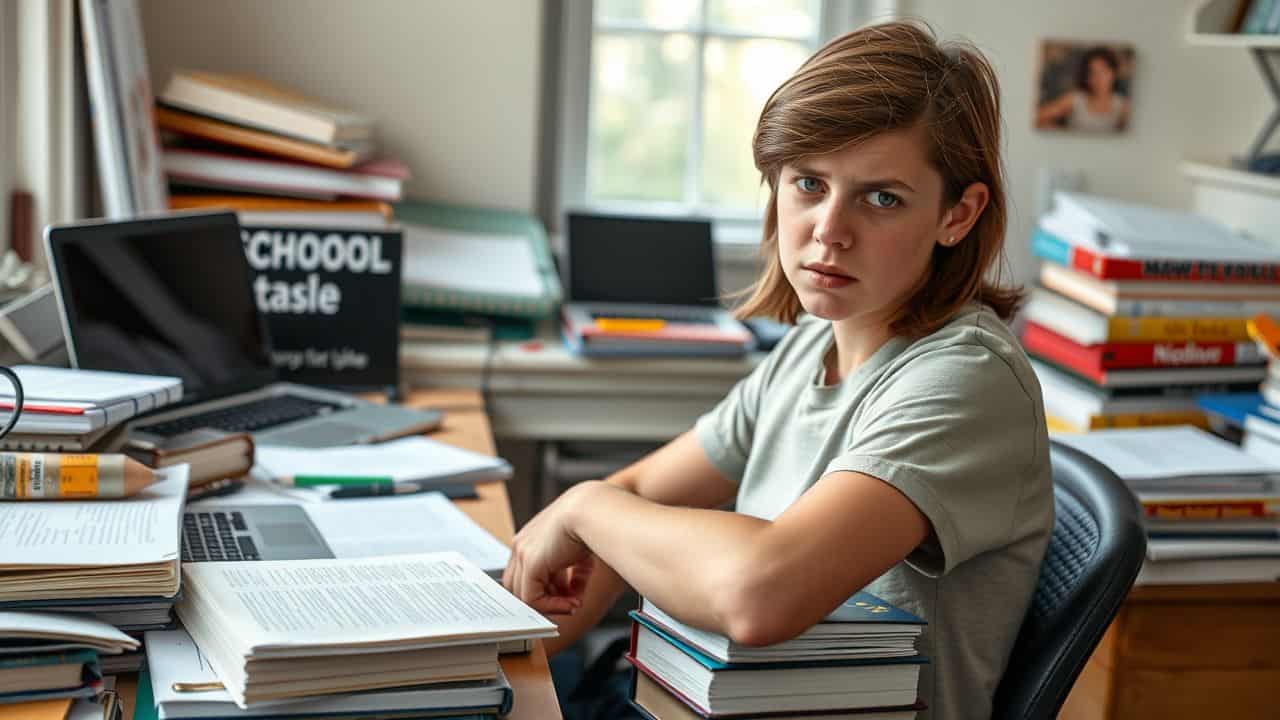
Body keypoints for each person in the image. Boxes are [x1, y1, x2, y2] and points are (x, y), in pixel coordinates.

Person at [504, 20, 1054, 720]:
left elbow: (759, 592)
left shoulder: (966, 381)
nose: (829, 229)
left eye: (881, 197)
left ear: (958, 214)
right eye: (808, 183)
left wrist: (582, 506)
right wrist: (509, 649)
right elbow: (645, 491)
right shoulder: (808, 346)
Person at [1035, 45, 1130, 132]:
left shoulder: (1122, 107)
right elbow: (1036, 117)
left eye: (1103, 71)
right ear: (1086, 77)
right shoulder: (1075, 99)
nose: (1098, 78)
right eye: (1092, 72)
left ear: (1113, 74)